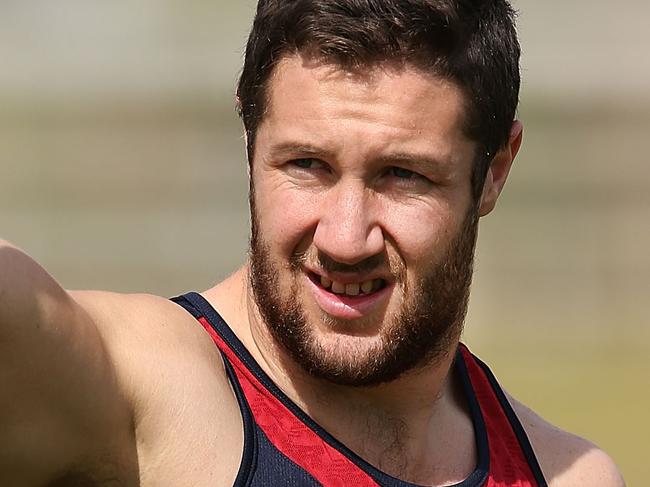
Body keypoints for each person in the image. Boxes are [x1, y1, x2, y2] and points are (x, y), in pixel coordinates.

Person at [0, 0, 625, 486]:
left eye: (402, 175)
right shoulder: (149, 391)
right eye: (306, 165)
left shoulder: (564, 473)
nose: (346, 237)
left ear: (494, 170)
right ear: (249, 140)